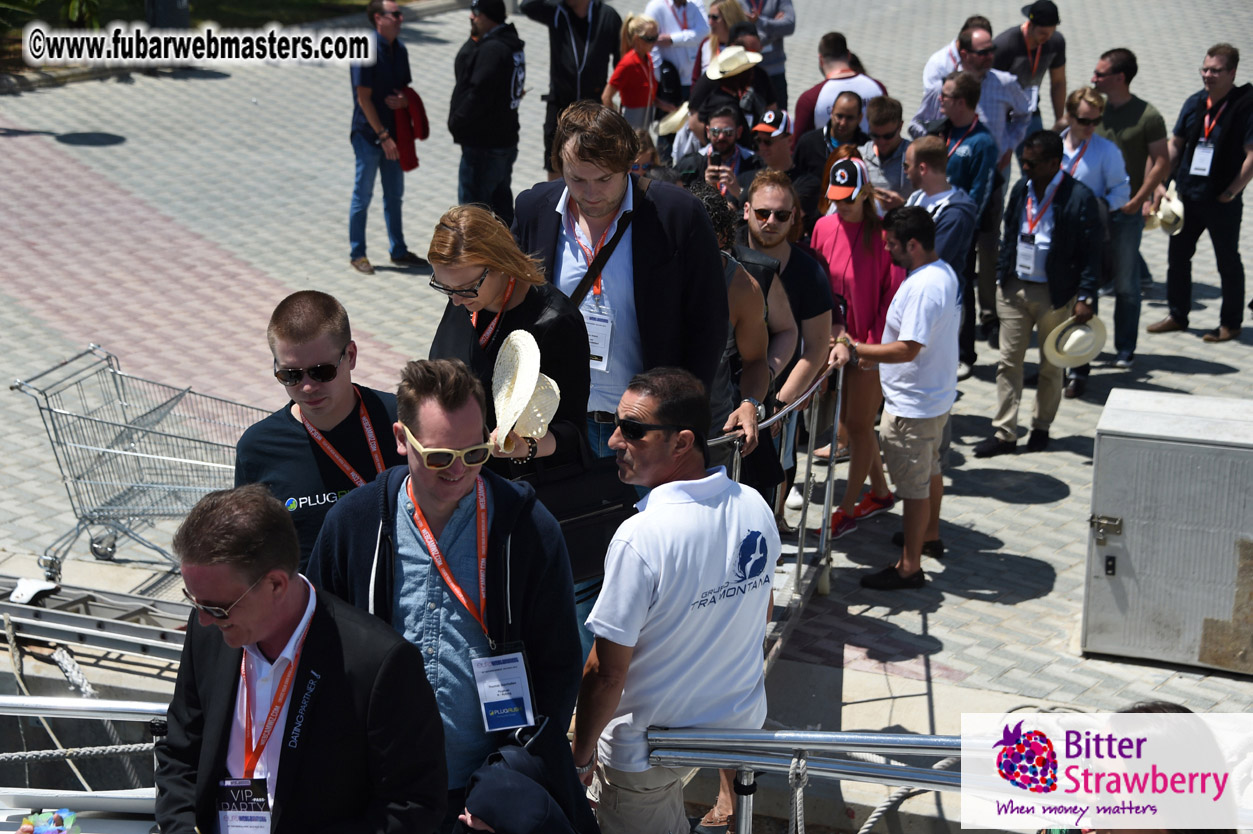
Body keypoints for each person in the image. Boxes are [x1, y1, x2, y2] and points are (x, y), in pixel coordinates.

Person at [308, 359, 583, 830]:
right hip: (382, 792)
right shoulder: (353, 526)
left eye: (474, 454)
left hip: (486, 798)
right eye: (439, 458)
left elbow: (559, 663)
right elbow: (317, 650)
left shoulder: (529, 529)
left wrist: (511, 778)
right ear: (400, 439)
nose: (458, 472)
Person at [156, 484, 446, 834]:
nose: (203, 618)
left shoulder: (379, 663)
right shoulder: (209, 631)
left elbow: (412, 806)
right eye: (195, 601)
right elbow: (180, 753)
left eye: (217, 608)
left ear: (276, 584)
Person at [571, 368, 777, 834]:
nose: (613, 441)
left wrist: (580, 759)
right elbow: (760, 612)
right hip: (734, 730)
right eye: (615, 423)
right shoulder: (755, 507)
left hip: (647, 750)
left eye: (634, 430)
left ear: (683, 443)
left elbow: (605, 674)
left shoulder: (640, 537)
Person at [512, 101, 729, 456]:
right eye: (576, 178)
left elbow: (709, 325)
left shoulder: (677, 215)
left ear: (629, 165)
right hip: (556, 427)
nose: (591, 193)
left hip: (643, 432)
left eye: (604, 179)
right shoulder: (534, 209)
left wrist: (678, 416)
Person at [235, 291, 405, 571]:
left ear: (350, 356)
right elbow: (252, 551)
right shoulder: (258, 448)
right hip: (316, 610)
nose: (307, 387)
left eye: (321, 371)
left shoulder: (403, 419)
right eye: (290, 375)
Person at [426, 205, 590, 479]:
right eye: (444, 287)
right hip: (456, 472)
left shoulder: (555, 322)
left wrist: (526, 447)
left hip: (518, 483)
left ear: (500, 264)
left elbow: (572, 430)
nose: (455, 300)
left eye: (464, 288)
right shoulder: (465, 297)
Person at [974, 131, 1101, 459]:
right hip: (1015, 289)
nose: (1025, 167)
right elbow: (1010, 231)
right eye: (1023, 161)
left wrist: (1086, 295)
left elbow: (1092, 252)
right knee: (1008, 363)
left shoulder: (1079, 196)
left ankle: (1041, 426)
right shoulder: (1021, 188)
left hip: (1055, 294)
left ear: (1053, 163)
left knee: (1050, 365)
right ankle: (1005, 432)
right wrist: (1003, 276)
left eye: (1032, 162)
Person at [853, 208, 961, 590]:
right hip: (934, 397)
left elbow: (907, 348)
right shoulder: (942, 272)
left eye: (892, 245)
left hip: (913, 406)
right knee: (930, 469)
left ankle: (909, 567)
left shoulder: (921, 287)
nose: (887, 251)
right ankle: (929, 536)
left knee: (913, 490)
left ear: (912, 245)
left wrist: (858, 350)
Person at [811, 158, 903, 538]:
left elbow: (891, 297)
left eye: (848, 199)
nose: (842, 205)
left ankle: (847, 509)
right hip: (831, 342)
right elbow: (816, 284)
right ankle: (880, 493)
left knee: (859, 426)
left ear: (864, 193)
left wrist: (868, 346)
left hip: (867, 347)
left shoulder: (881, 236)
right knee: (852, 423)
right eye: (837, 198)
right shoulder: (823, 226)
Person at [739, 170, 836, 530]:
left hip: (781, 386)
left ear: (795, 217)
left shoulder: (809, 273)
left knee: (778, 465)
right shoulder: (726, 254)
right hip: (727, 387)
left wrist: (780, 403)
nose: (771, 222)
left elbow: (814, 349)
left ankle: (773, 523)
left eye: (781, 215)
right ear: (746, 210)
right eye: (763, 213)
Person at [1147, 43, 1253, 344]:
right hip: (1187, 196)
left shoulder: (1246, 105)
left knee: (1227, 261)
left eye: (1216, 70)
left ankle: (1230, 324)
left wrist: (1232, 192)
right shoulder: (1195, 102)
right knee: (1178, 257)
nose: (1208, 75)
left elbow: (1251, 155)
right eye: (1205, 69)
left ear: (1232, 72)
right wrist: (1160, 182)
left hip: (1222, 199)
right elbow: (1176, 145)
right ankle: (1177, 315)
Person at [1090, 47, 1171, 367]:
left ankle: (1125, 348)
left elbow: (1162, 161)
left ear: (1119, 78)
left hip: (1126, 214)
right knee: (1088, 285)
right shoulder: (1094, 110)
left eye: (1100, 74)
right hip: (1093, 214)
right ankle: (1085, 349)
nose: (1093, 78)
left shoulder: (1148, 116)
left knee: (1126, 286)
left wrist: (1141, 199)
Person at [348, 0, 430, 275]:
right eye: (394, 14)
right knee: (364, 194)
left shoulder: (400, 49)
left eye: (400, 14)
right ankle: (357, 253)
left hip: (393, 134)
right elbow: (363, 98)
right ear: (377, 18)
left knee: (394, 195)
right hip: (369, 135)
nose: (400, 18)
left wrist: (405, 99)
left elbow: (404, 89)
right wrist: (382, 135)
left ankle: (399, 250)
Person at [1058, 87, 1130, 400]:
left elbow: (1121, 192)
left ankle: (1078, 371)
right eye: (1085, 120)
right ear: (1069, 116)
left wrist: (1095, 210)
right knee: (1053, 305)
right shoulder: (1053, 146)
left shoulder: (1106, 151)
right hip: (1053, 237)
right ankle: (1054, 365)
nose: (1091, 127)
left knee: (1084, 305)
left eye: (1096, 121)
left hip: (1087, 240)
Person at [519, 0, 622, 182]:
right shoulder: (556, 11)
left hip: (594, 107)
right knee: (554, 159)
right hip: (560, 103)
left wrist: (612, 96)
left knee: (592, 160)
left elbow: (621, 62)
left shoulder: (607, 16)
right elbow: (526, 5)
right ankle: (556, 207)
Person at [449, 0, 526, 225]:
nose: (472, 17)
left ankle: (480, 259)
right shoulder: (510, 44)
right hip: (503, 140)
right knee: (501, 210)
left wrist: (457, 121)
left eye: (476, 13)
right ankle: (507, 256)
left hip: (485, 146)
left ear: (487, 16)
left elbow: (478, 93)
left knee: (473, 218)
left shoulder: (493, 49)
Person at [904, 136, 979, 303]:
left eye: (906, 166)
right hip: (913, 294)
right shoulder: (917, 197)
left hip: (938, 303)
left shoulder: (955, 214)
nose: (905, 172)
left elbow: (929, 260)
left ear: (922, 168)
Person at [992, 0, 1066, 140]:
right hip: (1001, 114)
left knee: (1037, 158)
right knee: (1001, 161)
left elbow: (1058, 82)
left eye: (1052, 31)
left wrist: (1059, 120)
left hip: (1030, 110)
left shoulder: (1056, 42)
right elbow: (989, 87)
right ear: (1030, 25)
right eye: (1043, 33)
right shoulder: (1005, 45)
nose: (1048, 38)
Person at [793, 32, 887, 142]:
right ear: (848, 55)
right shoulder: (877, 88)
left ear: (820, 59)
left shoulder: (810, 99)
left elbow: (799, 147)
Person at [676, 103, 765, 198]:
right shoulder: (689, 165)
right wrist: (706, 188)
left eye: (728, 132)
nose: (721, 137)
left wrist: (739, 193)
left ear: (738, 132)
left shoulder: (755, 164)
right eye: (715, 132)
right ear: (708, 132)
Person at [794, 90, 871, 184]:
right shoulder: (808, 143)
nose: (843, 123)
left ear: (860, 118)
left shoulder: (867, 147)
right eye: (839, 116)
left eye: (849, 118)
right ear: (831, 112)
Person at [602, 14, 664, 130]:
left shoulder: (647, 58)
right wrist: (613, 123)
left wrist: (661, 104)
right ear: (637, 39)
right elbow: (606, 96)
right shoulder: (627, 63)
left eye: (656, 37)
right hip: (631, 121)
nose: (654, 43)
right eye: (650, 39)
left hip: (645, 118)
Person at [643, 0, 710, 106]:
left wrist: (672, 39)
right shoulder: (656, 6)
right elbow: (651, 44)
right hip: (669, 83)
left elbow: (704, 32)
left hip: (692, 80)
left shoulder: (695, 4)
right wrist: (659, 79)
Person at [736, 0, 795, 108]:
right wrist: (774, 28)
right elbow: (735, 36)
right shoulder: (736, 2)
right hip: (746, 71)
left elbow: (789, 25)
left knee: (778, 120)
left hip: (775, 72)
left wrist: (759, 22)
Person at [859, 95, 911, 210]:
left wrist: (903, 205)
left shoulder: (915, 157)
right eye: (875, 135)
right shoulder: (859, 157)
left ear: (900, 126)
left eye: (888, 136)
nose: (881, 142)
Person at [921, 15, 991, 94]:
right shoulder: (938, 65)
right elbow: (932, 101)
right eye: (983, 52)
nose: (990, 56)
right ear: (965, 54)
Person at [694, 0, 747, 82]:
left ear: (729, 18)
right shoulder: (706, 44)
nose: (710, 22)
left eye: (714, 18)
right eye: (709, 17)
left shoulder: (745, 45)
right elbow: (695, 80)